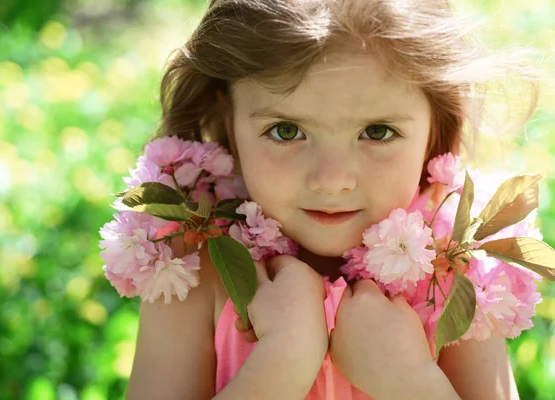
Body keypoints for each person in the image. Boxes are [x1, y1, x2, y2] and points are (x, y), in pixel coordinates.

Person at [126, 0, 540, 398]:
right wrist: (282, 359)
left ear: (435, 128)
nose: (332, 181)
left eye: (377, 132)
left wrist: (410, 382)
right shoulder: (192, 269)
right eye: (286, 131)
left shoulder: (450, 275)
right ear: (228, 122)